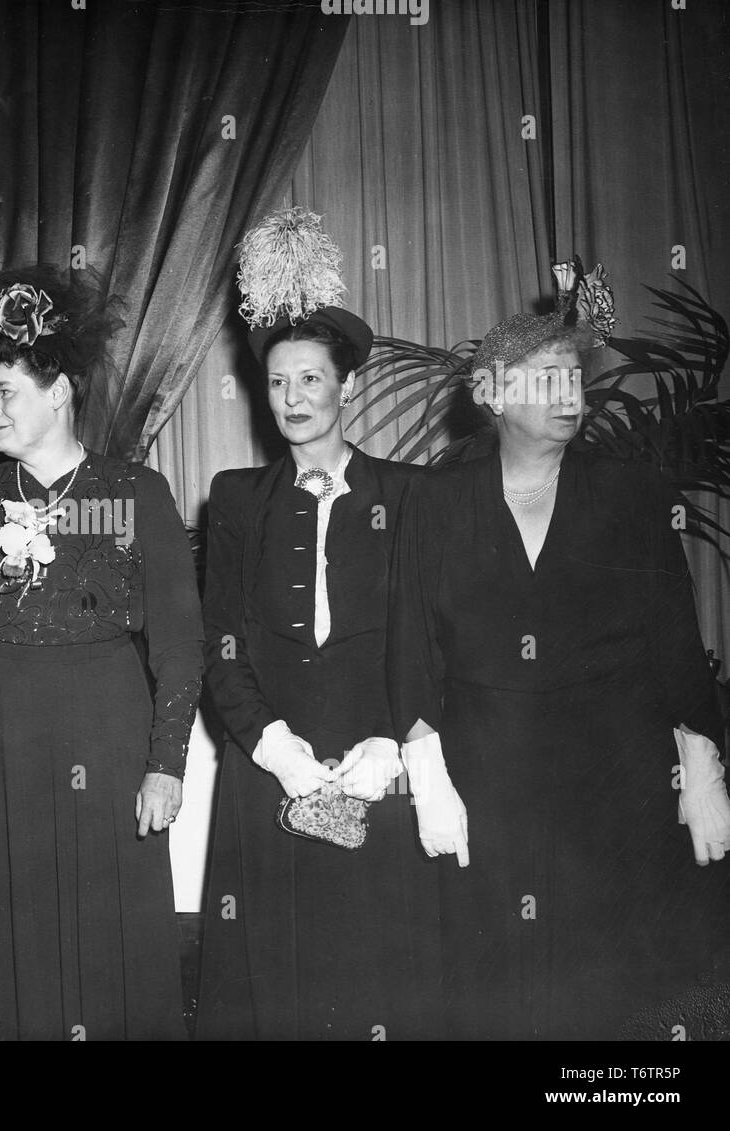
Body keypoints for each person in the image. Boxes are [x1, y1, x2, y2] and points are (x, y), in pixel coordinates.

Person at [389, 260, 730, 1039]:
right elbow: (411, 645)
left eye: (574, 379)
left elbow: (675, 639)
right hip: (490, 784)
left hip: (618, 783)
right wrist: (428, 772)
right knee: (500, 992)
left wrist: (702, 769)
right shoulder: (433, 504)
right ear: (495, 393)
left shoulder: (632, 495)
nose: (571, 396)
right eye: (546, 381)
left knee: (616, 997)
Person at [0, 266, 203, 1040]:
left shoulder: (136, 494)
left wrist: (166, 762)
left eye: (5, 391)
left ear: (60, 390)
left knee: (102, 946)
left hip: (103, 739)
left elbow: (179, 642)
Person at [195, 277, 441, 1039]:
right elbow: (220, 642)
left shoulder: (409, 494)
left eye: (311, 378)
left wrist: (395, 746)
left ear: (347, 384)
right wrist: (273, 747)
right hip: (267, 762)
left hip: (378, 755)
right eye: (277, 381)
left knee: (378, 970)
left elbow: (435, 641)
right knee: (272, 975)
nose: (293, 397)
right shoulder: (236, 497)